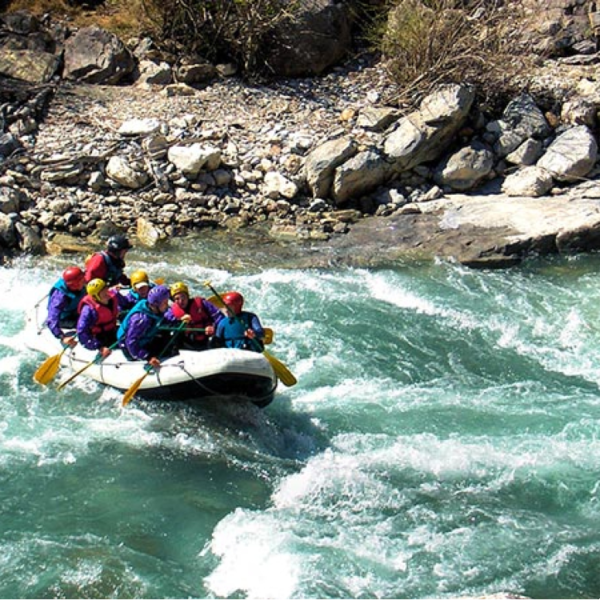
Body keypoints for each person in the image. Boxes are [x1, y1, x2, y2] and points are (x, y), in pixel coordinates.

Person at [117, 285, 188, 368]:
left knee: (168, 340)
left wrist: (178, 319)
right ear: (156, 305)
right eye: (165, 303)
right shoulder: (141, 320)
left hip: (145, 339)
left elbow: (165, 316)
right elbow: (131, 343)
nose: (167, 305)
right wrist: (147, 357)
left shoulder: (153, 308)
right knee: (164, 347)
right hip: (130, 348)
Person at [166, 281, 224, 350]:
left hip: (207, 339)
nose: (181, 301)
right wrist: (179, 320)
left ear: (188, 296)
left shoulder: (202, 304)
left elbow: (220, 317)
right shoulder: (172, 311)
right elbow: (167, 320)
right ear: (173, 300)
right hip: (186, 343)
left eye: (183, 297)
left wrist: (214, 327)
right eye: (177, 299)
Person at [76, 279, 123, 358]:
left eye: (106, 290)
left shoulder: (111, 298)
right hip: (99, 337)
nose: (107, 294)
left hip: (112, 330)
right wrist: (99, 347)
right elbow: (81, 331)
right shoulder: (88, 310)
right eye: (104, 293)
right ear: (96, 296)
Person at [46, 266, 86, 348]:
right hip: (64, 319)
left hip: (76, 310)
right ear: (74, 284)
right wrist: (62, 337)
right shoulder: (60, 297)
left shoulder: (79, 285)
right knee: (86, 323)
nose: (85, 281)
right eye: (82, 280)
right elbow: (51, 318)